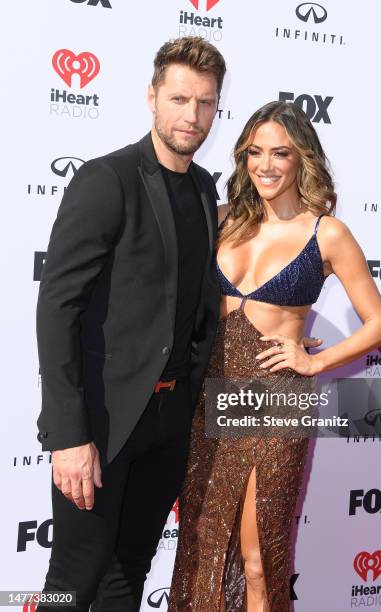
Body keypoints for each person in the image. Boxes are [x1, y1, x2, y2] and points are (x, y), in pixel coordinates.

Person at [167, 101, 381, 611]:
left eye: (280, 153)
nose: (265, 165)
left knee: (257, 556)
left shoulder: (326, 232)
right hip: (210, 398)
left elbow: (379, 323)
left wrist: (314, 361)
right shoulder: (222, 219)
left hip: (276, 402)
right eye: (255, 152)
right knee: (201, 548)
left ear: (301, 160)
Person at [35, 37, 227, 611]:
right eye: (179, 99)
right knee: (74, 578)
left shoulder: (203, 188)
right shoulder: (108, 179)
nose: (192, 116)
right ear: (151, 97)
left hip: (168, 423)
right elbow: (59, 306)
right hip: (102, 423)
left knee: (130, 571)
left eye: (206, 103)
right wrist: (69, 435)